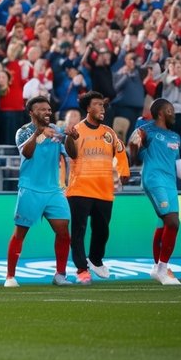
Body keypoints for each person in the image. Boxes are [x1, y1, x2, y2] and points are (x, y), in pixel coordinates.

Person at [128, 99, 181, 286]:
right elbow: (134, 156)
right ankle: (162, 268)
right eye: (170, 110)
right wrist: (135, 146)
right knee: (172, 221)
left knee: (165, 223)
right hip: (153, 179)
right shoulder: (146, 130)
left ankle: (157, 267)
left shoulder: (175, 137)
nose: (173, 113)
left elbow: (178, 164)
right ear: (160, 113)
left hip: (170, 182)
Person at [5, 96, 74, 287]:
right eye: (42, 109)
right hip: (30, 189)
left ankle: (60, 275)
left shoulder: (57, 130)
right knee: (20, 233)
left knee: (63, 231)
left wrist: (70, 137)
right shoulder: (23, 131)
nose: (47, 112)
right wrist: (38, 134)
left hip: (53, 190)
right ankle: (10, 276)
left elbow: (71, 153)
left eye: (49, 109)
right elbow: (26, 153)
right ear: (31, 112)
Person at [64, 91, 128, 285]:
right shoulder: (77, 130)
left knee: (102, 230)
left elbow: (121, 151)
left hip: (104, 189)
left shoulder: (108, 132)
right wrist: (69, 138)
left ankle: (96, 259)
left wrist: (123, 171)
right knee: (78, 231)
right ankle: (82, 269)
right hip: (80, 189)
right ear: (88, 108)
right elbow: (72, 153)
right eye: (97, 105)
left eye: (103, 105)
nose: (102, 108)